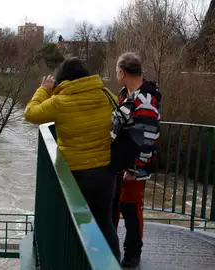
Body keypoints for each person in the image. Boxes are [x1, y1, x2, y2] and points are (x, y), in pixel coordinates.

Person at [24, 57, 121, 261]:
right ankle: (113, 263)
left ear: (63, 79)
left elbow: (31, 113)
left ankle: (79, 261)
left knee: (76, 224)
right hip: (105, 172)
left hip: (75, 175)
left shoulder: (60, 101)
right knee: (104, 221)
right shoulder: (105, 95)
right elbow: (121, 112)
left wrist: (44, 89)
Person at [111, 52, 161, 268]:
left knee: (131, 209)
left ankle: (132, 255)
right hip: (121, 164)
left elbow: (147, 138)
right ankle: (113, 249)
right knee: (117, 206)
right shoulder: (127, 94)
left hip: (133, 168)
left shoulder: (146, 99)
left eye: (116, 71)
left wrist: (134, 169)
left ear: (122, 72)